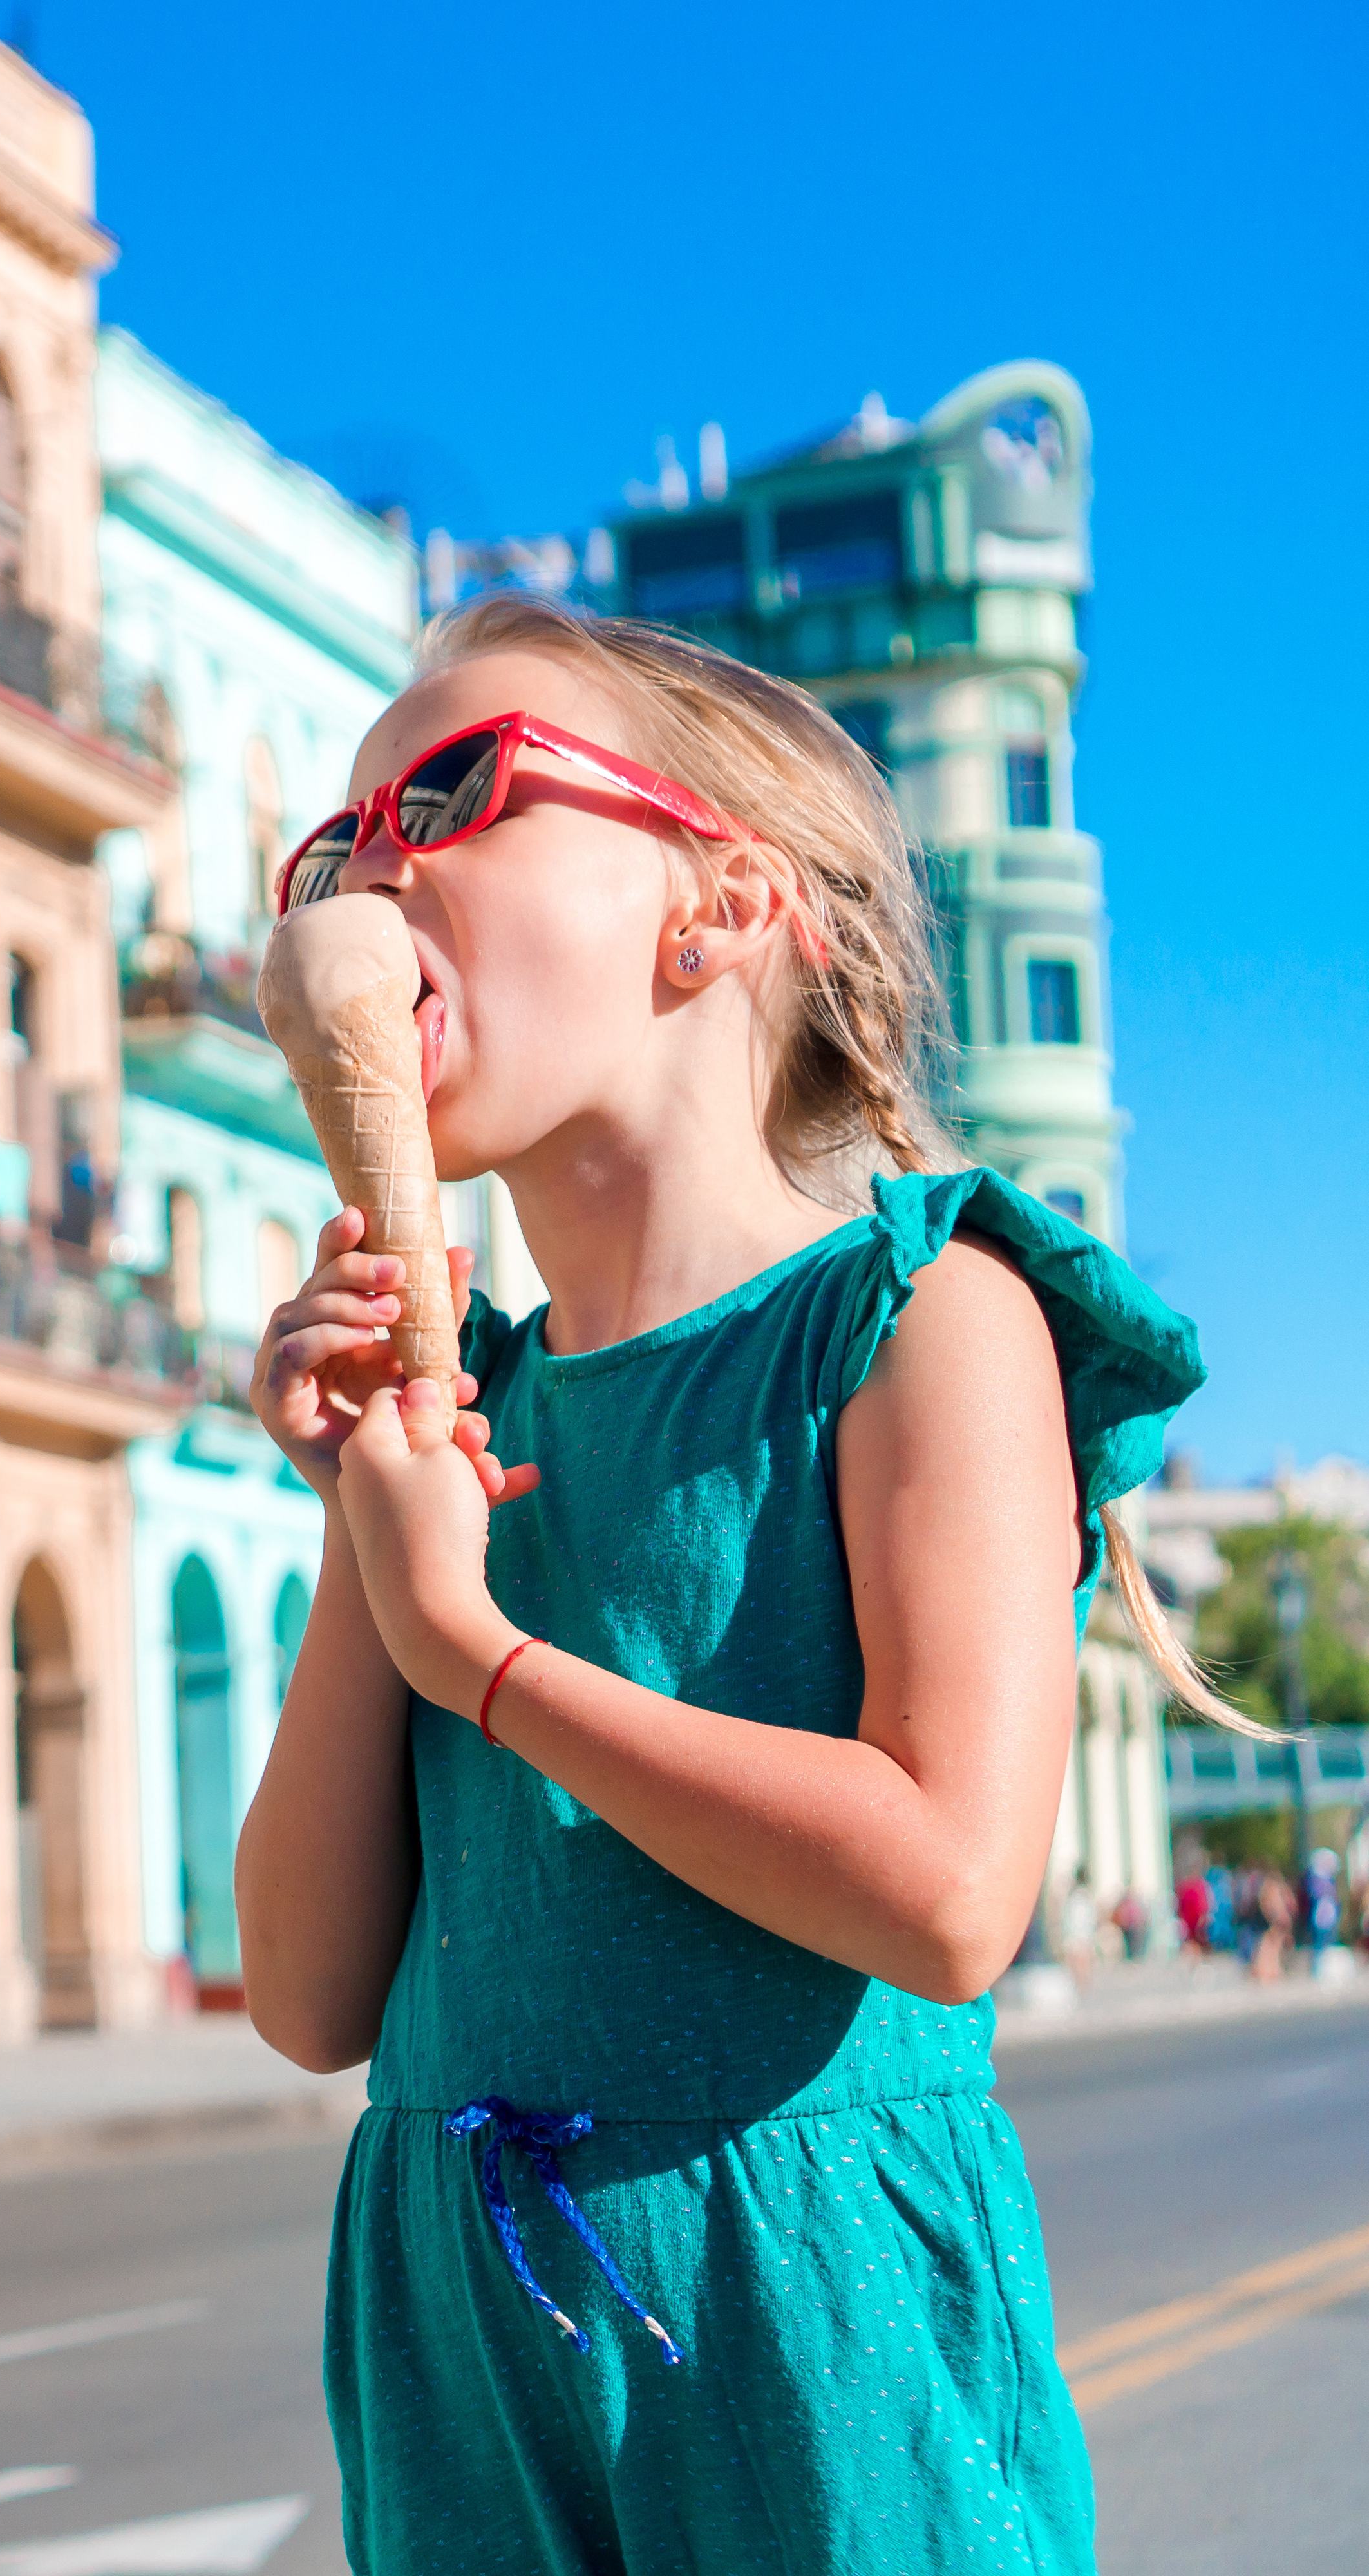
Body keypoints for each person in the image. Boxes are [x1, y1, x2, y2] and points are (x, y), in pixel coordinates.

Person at [230, 595, 1247, 2573]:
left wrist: (487, 1653)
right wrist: (378, 1500)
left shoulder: (919, 1318)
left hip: (812, 2329)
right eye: (334, 846)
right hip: (466, 2319)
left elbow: (949, 1892)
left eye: (447, 792)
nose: (366, 870)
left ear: (721, 903)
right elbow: (304, 1989)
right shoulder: (470, 1418)